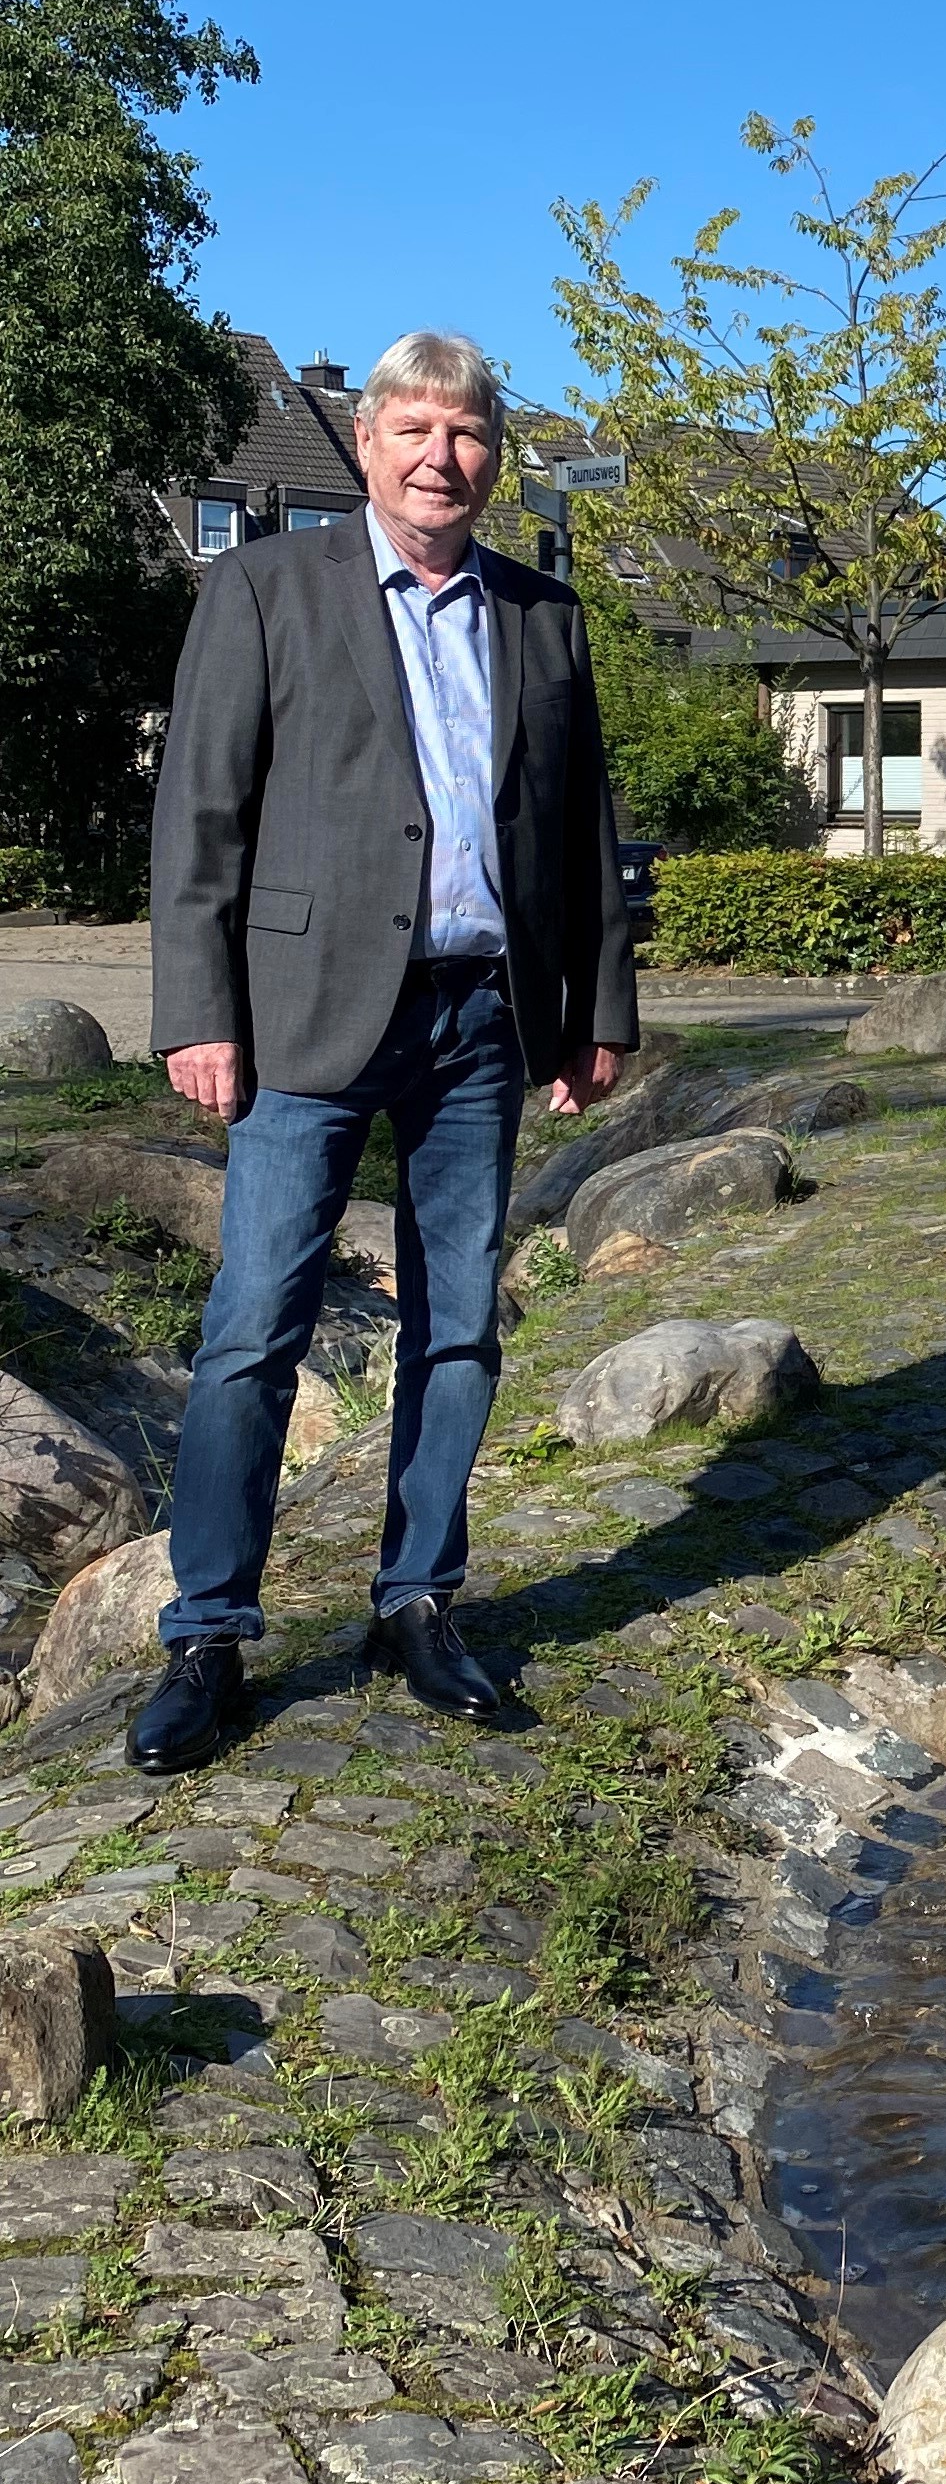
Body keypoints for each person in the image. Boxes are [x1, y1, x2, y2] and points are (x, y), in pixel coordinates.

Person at [134, 330, 639, 1773]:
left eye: (468, 434)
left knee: (461, 1324)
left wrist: (597, 1005)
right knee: (253, 1333)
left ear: (495, 454)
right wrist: (197, 1009)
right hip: (303, 1017)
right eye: (414, 429)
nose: (442, 457)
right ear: (366, 446)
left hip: (484, 1021)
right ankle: (211, 1633)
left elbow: (581, 829)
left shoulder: (545, 617)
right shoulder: (261, 587)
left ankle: (416, 1599)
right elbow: (201, 819)